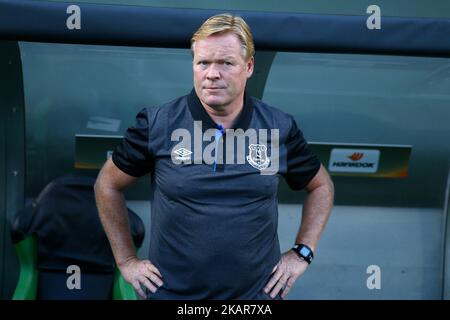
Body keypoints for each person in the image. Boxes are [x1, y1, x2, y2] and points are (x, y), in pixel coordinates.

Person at [94, 13, 334, 300]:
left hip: (255, 299)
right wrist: (126, 261)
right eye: (203, 62)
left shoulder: (277, 127)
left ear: (248, 66)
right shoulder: (158, 123)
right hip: (173, 296)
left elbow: (321, 186)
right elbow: (107, 185)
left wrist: (302, 252)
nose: (212, 74)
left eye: (225, 63)